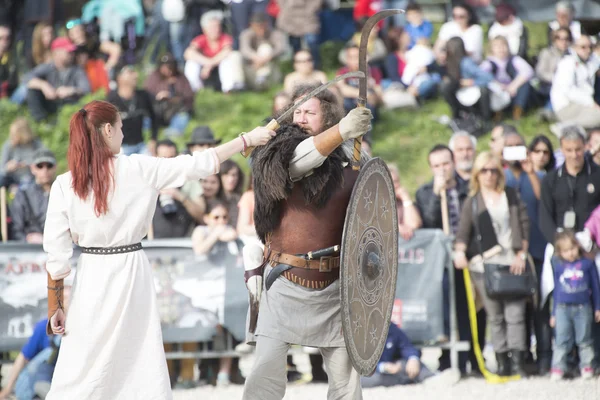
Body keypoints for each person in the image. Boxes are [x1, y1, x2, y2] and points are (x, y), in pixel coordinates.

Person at [42, 100, 274, 399]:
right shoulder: (139, 167)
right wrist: (247, 140)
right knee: (138, 355)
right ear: (108, 129)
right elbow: (198, 163)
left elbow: (56, 253)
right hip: (129, 270)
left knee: (84, 356)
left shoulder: (65, 183)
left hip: (94, 273)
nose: (123, 135)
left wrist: (55, 306)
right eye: (121, 128)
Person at [241, 83, 372, 399]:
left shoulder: (354, 157)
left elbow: (371, 215)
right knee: (265, 377)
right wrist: (341, 131)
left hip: (336, 285)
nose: (300, 118)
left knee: (346, 383)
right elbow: (299, 162)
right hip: (282, 280)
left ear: (327, 116)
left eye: (309, 112)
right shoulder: (275, 150)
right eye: (296, 111)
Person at [454, 151, 530, 377]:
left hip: (512, 261)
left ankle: (517, 362)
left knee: (515, 314)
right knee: (495, 316)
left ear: (499, 172)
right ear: (477, 174)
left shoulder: (511, 195)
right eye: (484, 170)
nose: (489, 175)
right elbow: (463, 233)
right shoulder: (473, 201)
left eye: (493, 170)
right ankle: (502, 361)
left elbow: (525, 226)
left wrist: (522, 255)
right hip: (484, 266)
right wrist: (459, 253)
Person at [0, 287, 70, 400]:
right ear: (59, 303)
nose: (71, 301)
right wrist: (7, 390)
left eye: (73, 297)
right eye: (66, 298)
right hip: (39, 385)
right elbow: (23, 357)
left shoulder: (81, 328)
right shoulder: (45, 327)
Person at [549, 231, 600, 381]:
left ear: (577, 247)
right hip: (562, 308)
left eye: (572, 249)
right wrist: (553, 313)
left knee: (585, 339)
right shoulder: (559, 266)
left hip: (583, 308)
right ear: (560, 252)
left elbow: (596, 288)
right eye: (565, 251)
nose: (570, 253)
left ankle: (587, 366)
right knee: (561, 340)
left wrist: (598, 307)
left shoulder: (588, 264)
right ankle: (558, 367)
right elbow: (557, 290)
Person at [360, 323, 434, 387]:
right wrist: (383, 367)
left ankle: (432, 378)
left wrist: (413, 358)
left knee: (411, 364)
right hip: (371, 372)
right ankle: (405, 380)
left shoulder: (391, 327)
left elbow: (406, 346)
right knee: (368, 379)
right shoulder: (359, 331)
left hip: (393, 365)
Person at [10, 148, 57, 243]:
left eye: (49, 166)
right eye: (40, 166)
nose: (45, 170)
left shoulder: (65, 192)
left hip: (59, 246)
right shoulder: (22, 194)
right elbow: (15, 229)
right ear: (32, 168)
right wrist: (27, 239)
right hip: (31, 250)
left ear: (55, 167)